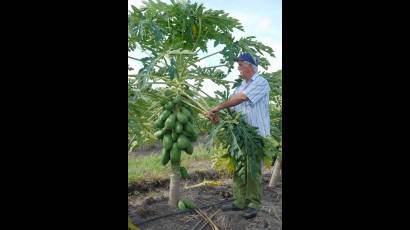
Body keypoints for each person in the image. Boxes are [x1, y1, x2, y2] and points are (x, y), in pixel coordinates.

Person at [206, 52, 271, 219]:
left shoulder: (260, 82)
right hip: (240, 135)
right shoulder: (240, 86)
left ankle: (253, 204)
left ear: (250, 66)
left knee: (252, 170)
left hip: (255, 135)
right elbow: (231, 109)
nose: (238, 68)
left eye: (241, 64)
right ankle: (239, 201)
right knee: (239, 169)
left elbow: (241, 99)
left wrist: (218, 107)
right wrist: (217, 117)